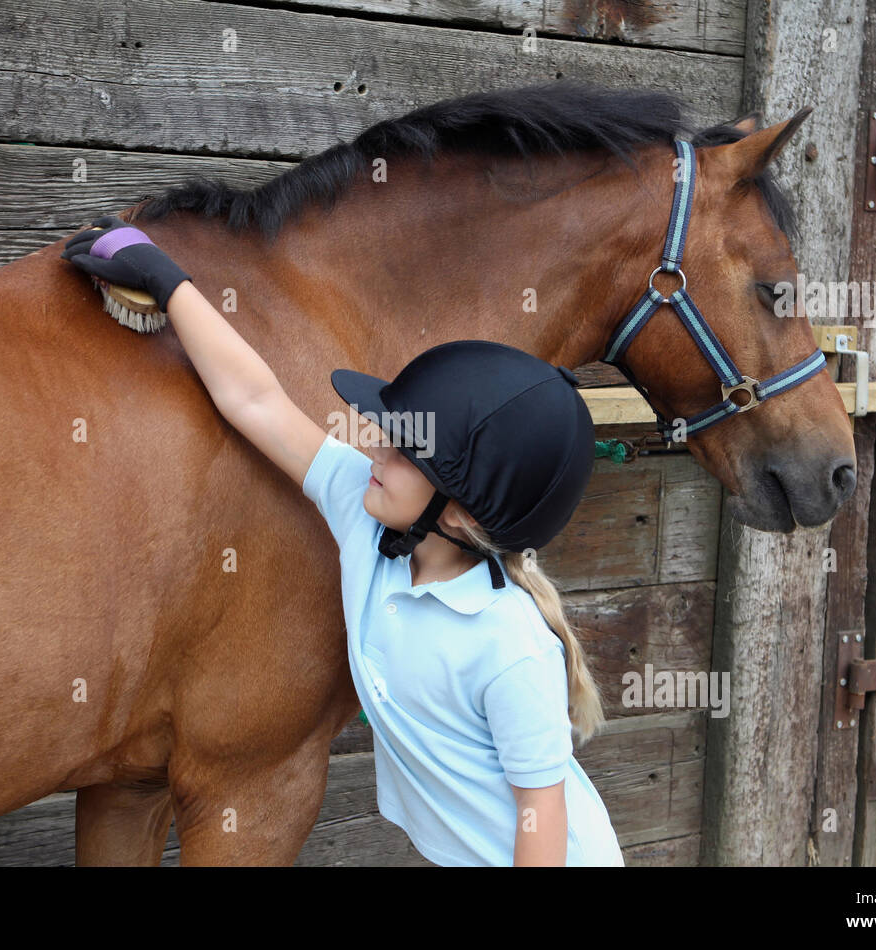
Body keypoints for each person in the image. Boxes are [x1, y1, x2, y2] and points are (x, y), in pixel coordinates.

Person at [63, 216, 625, 867]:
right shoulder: (368, 518)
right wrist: (171, 283)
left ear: (461, 516)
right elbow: (257, 402)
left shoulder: (509, 647)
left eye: (408, 451)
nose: (376, 448)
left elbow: (542, 814)